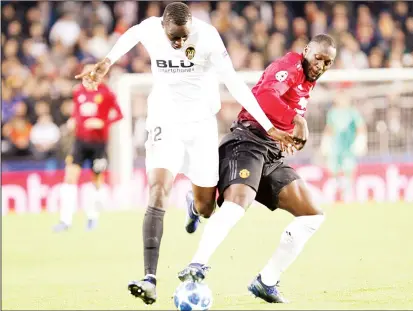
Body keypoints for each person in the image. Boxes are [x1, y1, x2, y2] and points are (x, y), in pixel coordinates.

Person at [75, 2, 295, 305]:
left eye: (183, 37)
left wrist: (269, 126)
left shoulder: (207, 37)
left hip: (201, 126)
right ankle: (149, 279)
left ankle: (193, 202)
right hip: (164, 120)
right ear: (164, 27)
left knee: (207, 209)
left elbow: (233, 82)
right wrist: (107, 61)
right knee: (157, 190)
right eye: (173, 38)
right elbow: (131, 36)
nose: (179, 44)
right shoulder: (151, 28)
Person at [178, 34, 337, 304]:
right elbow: (263, 97)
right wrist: (296, 119)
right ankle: (197, 264)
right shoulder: (290, 66)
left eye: (328, 62)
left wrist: (286, 135)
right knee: (238, 203)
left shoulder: (307, 82)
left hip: (271, 152)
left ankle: (267, 281)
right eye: (318, 58)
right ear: (307, 50)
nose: (320, 66)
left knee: (312, 216)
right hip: (247, 141)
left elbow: (282, 109)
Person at [53, 65, 123, 232]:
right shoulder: (78, 92)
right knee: (69, 178)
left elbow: (119, 114)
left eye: (89, 74)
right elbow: (77, 112)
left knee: (96, 181)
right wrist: (73, 120)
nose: (85, 78)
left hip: (99, 144)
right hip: (80, 142)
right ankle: (65, 221)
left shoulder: (107, 93)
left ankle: (92, 217)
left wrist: (103, 123)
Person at [320, 93, 367, 202]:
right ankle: (336, 191)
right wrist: (325, 142)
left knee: (348, 169)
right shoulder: (332, 112)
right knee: (333, 169)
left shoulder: (352, 112)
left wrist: (361, 141)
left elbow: (360, 126)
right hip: (335, 147)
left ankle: (348, 194)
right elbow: (329, 128)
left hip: (348, 147)